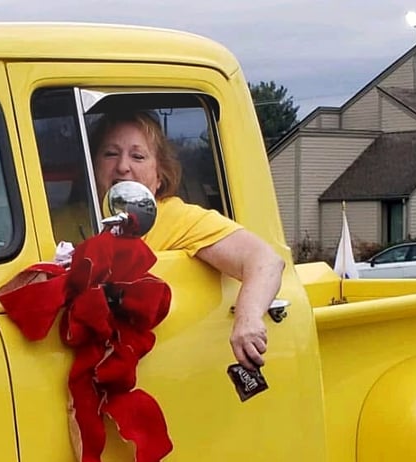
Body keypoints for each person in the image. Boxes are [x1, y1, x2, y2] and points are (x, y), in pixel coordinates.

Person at [83, 109, 285, 372]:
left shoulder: (175, 217)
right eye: (110, 153)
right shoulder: (63, 221)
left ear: (159, 176)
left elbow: (266, 261)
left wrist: (247, 319)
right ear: (92, 165)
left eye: (138, 156)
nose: (123, 166)